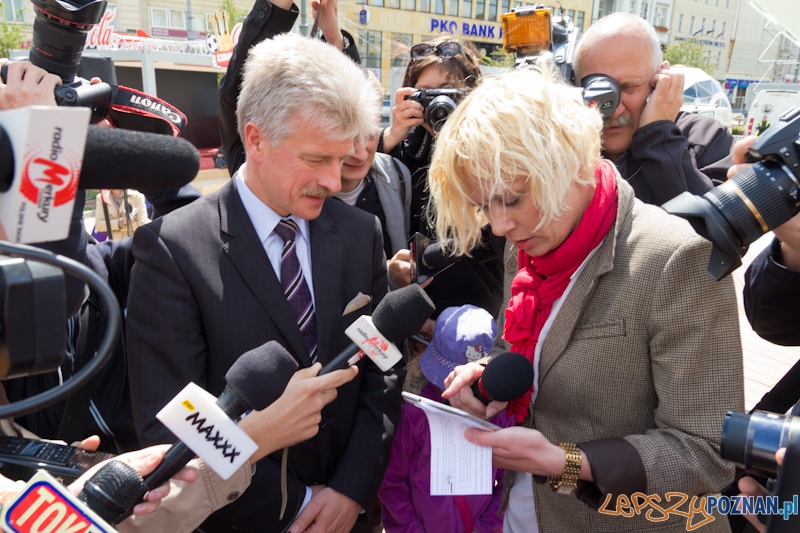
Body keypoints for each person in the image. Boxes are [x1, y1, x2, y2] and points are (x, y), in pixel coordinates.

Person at [426, 64, 743, 532]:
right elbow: (526, 346)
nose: (497, 226)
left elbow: (707, 453)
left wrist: (566, 463)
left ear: (571, 161)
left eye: (510, 200)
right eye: (482, 205)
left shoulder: (676, 259)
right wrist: (490, 374)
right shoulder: (528, 245)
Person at [126, 33, 399, 533]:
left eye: (343, 160)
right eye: (317, 159)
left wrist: (349, 492)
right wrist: (296, 506)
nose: (335, 182)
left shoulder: (361, 234)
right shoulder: (173, 248)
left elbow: (381, 368)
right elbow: (171, 426)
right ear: (255, 139)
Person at [380, 35, 505, 318]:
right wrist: (391, 136)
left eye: (448, 92)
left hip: (479, 305)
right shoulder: (405, 147)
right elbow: (361, 185)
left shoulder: (493, 146)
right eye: (427, 94)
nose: (439, 104)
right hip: (418, 306)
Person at [572, 13, 734, 206]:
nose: (613, 111)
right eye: (596, 92)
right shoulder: (560, 151)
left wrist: (658, 137)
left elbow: (714, 230)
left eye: (629, 87)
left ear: (663, 78)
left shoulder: (706, 140)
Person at [379, 305, 512, 533]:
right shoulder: (416, 416)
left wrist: (488, 528)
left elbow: (508, 483)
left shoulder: (500, 418)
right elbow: (391, 483)